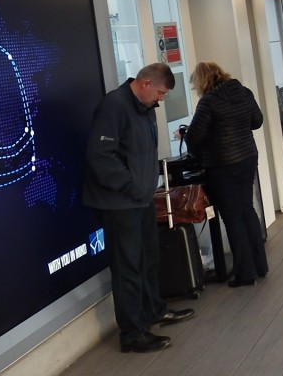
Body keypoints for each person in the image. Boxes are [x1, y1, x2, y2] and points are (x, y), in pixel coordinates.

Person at [83, 63, 195, 354]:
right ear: (145, 83)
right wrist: (131, 186)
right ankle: (133, 334)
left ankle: (154, 311)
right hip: (120, 203)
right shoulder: (114, 106)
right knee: (128, 268)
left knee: (148, 259)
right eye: (160, 92)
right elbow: (100, 156)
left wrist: (145, 188)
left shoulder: (145, 107)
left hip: (141, 199)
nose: (162, 99)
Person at [179, 62, 268, 287]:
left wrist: (188, 138)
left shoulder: (208, 102)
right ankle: (260, 265)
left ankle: (245, 273)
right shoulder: (244, 92)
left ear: (202, 81)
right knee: (247, 209)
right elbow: (257, 121)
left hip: (222, 164)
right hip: (248, 157)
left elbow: (193, 137)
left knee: (232, 216)